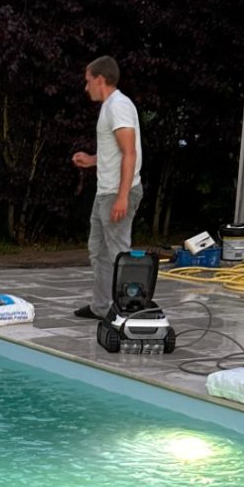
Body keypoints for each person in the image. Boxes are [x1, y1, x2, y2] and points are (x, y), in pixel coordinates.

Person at [72, 57, 142, 320]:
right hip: (106, 192)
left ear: (100, 79)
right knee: (99, 251)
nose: (85, 86)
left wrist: (122, 197)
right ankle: (101, 307)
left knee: (119, 254)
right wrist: (91, 160)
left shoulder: (119, 106)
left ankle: (129, 311)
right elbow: (115, 154)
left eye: (88, 80)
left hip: (117, 193)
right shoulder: (110, 107)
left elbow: (129, 153)